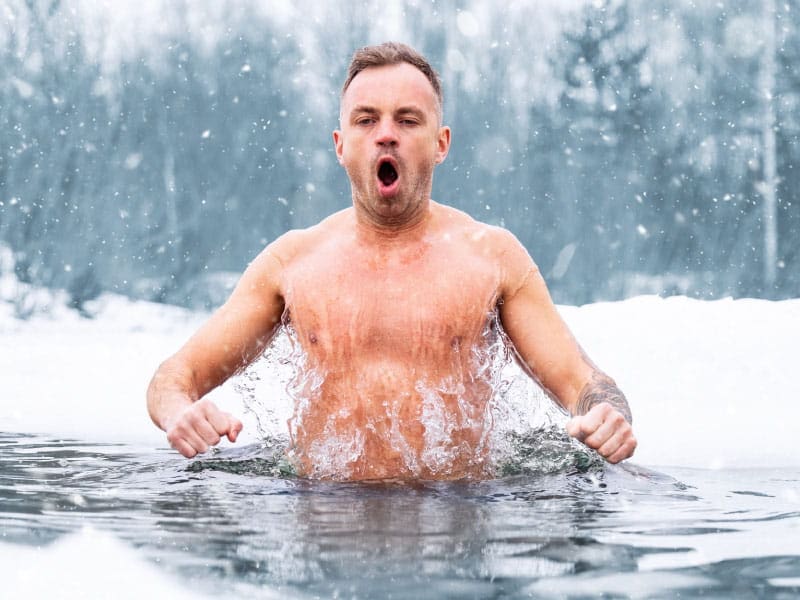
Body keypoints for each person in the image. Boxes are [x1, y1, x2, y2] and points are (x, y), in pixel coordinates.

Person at [146, 42, 636, 480]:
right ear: (341, 146)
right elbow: (175, 377)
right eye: (366, 120)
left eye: (407, 119)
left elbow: (585, 383)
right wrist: (177, 412)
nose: (386, 135)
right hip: (324, 520)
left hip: (456, 519)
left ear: (440, 143)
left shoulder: (491, 257)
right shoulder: (293, 262)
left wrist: (608, 416)